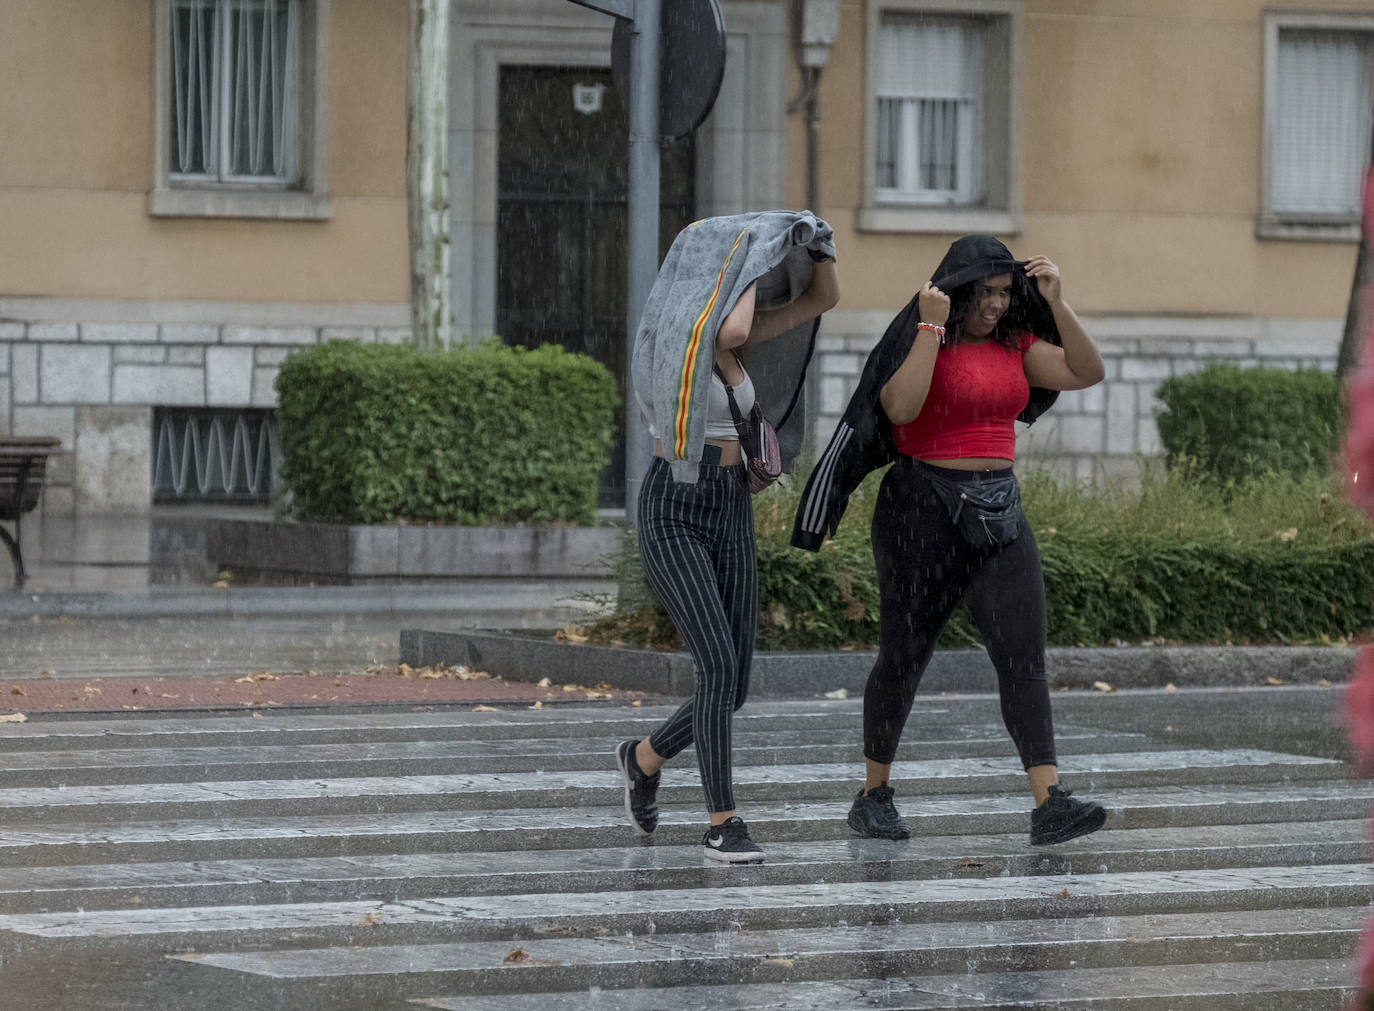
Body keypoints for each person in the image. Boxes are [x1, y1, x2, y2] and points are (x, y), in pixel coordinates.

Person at [791, 234, 1107, 846]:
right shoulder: (923, 337)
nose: (995, 304)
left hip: (999, 511)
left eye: (1004, 293)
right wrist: (931, 330)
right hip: (920, 510)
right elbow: (900, 410)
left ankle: (1050, 803)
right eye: (985, 293)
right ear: (958, 293)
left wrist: (1057, 303)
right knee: (904, 657)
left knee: (1023, 660)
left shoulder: (1017, 345)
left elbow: (1085, 371)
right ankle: (873, 794)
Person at [616, 211, 839, 864]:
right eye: (739, 272)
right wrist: (750, 250)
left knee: (733, 683)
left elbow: (824, 298)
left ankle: (643, 758)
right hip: (674, 506)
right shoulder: (668, 338)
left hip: (729, 506)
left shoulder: (735, 343)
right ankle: (722, 822)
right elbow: (733, 325)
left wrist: (814, 242)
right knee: (715, 666)